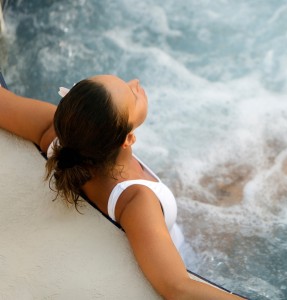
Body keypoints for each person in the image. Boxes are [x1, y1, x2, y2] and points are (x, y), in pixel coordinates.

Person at [0, 75, 243, 299]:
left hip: (155, 229)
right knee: (260, 173)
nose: (135, 83)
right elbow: (178, 287)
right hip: (188, 255)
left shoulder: (52, 131)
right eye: (132, 95)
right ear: (127, 139)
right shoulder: (137, 199)